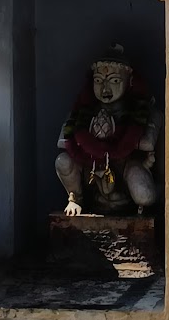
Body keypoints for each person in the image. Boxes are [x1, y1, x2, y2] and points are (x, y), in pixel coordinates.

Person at [55, 44, 161, 215]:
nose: (105, 89)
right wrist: (92, 144)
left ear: (130, 81)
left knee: (145, 196)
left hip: (125, 167)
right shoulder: (82, 112)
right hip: (90, 168)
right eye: (98, 81)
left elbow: (147, 143)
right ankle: (76, 198)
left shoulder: (142, 110)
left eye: (114, 81)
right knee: (63, 161)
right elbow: (64, 140)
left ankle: (152, 197)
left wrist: (109, 142)